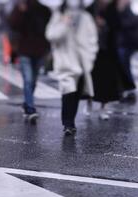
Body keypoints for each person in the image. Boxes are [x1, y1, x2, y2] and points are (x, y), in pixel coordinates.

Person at [46, 0, 98, 135]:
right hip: (66, 62)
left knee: (76, 93)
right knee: (68, 92)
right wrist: (64, 23)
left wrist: (90, 57)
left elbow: (92, 39)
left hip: (82, 63)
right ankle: (67, 123)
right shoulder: (59, 15)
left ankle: (71, 121)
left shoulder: (86, 17)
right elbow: (51, 35)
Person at [7, 0, 51, 123]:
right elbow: (12, 25)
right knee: (28, 79)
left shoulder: (44, 10)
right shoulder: (20, 7)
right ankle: (30, 109)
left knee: (34, 80)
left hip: (39, 50)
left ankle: (27, 103)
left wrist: (48, 48)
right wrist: (21, 11)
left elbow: (49, 30)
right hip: (24, 50)